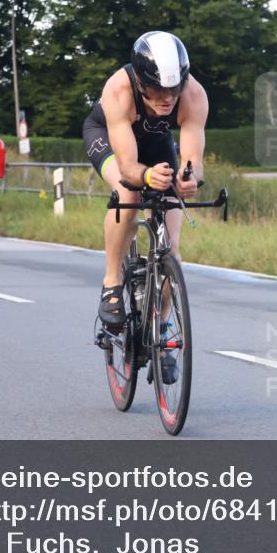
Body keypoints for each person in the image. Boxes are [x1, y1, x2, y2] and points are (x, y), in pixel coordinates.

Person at [82, 31, 207, 330]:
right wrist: (147, 175)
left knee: (171, 249)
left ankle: (161, 330)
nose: (168, 98)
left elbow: (193, 161)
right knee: (130, 196)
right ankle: (112, 281)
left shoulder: (193, 95)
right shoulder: (118, 90)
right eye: (157, 89)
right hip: (108, 138)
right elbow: (128, 168)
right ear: (140, 82)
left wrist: (189, 179)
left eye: (174, 89)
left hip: (156, 143)